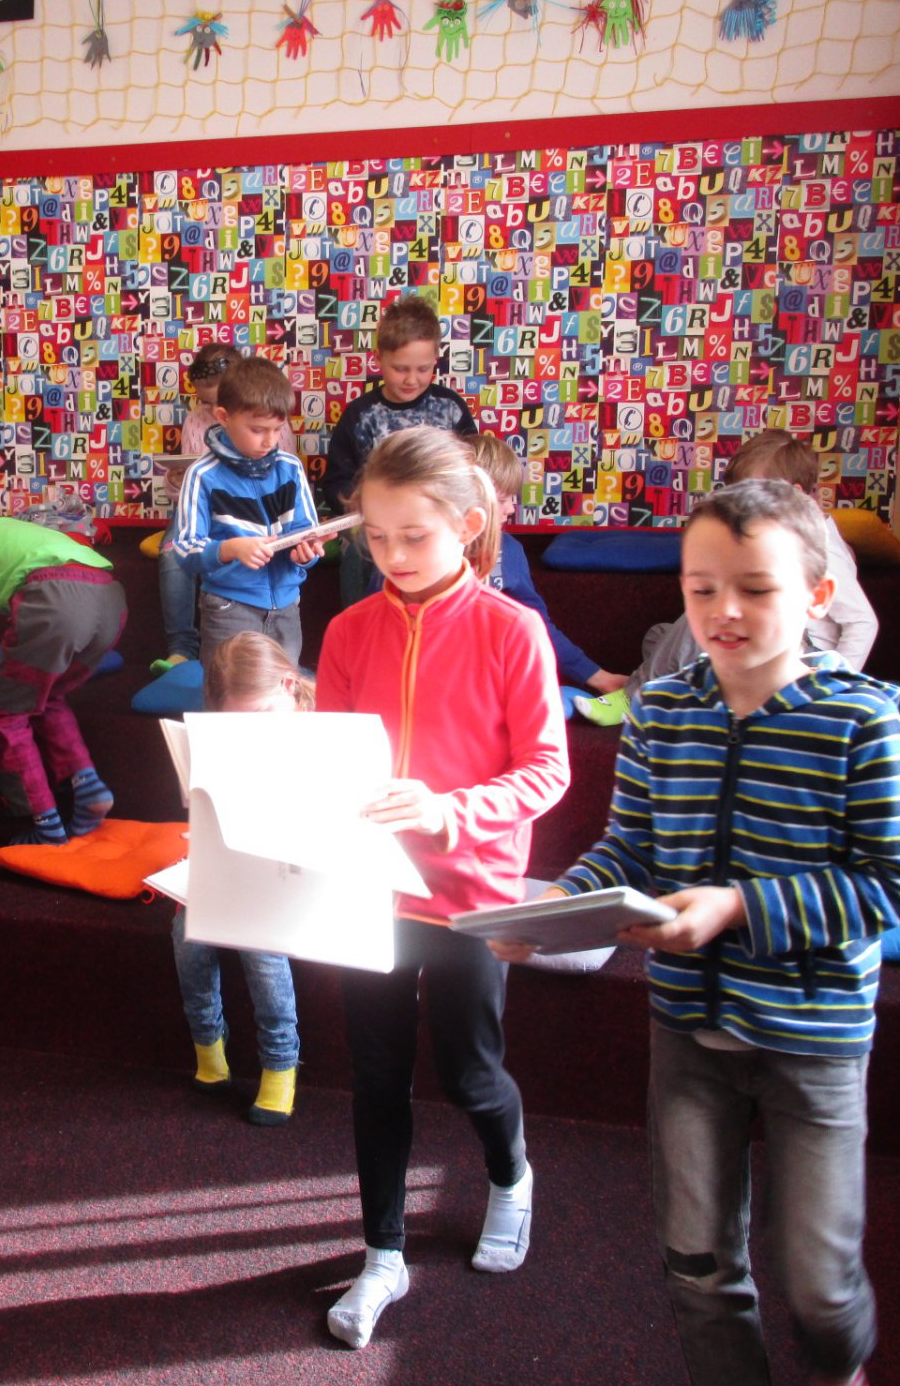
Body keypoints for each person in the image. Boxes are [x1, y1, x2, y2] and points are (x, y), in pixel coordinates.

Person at [502, 479, 900, 1386]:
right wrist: (554, 910)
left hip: (814, 1038)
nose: (723, 611)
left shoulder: (862, 720)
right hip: (690, 1031)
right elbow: (629, 847)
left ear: (817, 596)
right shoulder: (663, 710)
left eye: (756, 589)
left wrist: (736, 907)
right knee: (698, 1267)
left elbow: (891, 886)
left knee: (819, 1286)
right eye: (701, 589)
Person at [315, 427, 569, 1349]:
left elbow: (547, 772)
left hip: (471, 893)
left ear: (468, 524)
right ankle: (382, 1252)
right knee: (376, 1076)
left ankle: (509, 1175)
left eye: (414, 536)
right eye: (376, 537)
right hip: (370, 892)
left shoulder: (513, 630)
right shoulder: (348, 629)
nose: (392, 555)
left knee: (470, 1072)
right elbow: (329, 762)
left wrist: (450, 809)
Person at [575, 429, 879, 725]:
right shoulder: (780, 535)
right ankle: (681, 690)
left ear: (795, 495)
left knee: (699, 624)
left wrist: (832, 684)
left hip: (798, 655)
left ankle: (635, 699)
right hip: (767, 643)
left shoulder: (820, 548)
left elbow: (863, 622)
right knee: (660, 636)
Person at [0, 465, 126, 845]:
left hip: (57, 599)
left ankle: (45, 822)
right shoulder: (10, 529)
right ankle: (88, 787)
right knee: (46, 696)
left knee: (4, 715)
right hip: (110, 599)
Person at [175, 631, 306, 1125]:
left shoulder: (320, 732)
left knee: (258, 946)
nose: (250, 733)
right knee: (186, 932)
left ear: (289, 687)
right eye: (236, 723)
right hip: (236, 863)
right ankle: (208, 1044)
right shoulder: (228, 738)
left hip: (295, 874)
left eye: (260, 716)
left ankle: (280, 1063)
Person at [321, 293, 478, 604]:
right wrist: (364, 507)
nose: (411, 379)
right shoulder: (360, 416)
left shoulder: (450, 408)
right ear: (379, 359)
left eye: (422, 369)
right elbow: (336, 483)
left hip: (438, 522)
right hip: (379, 524)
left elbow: (474, 470)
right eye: (400, 368)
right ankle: (360, 622)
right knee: (359, 546)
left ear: (435, 360)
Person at [170, 357, 326, 663]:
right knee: (226, 689)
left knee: (282, 688)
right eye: (257, 429)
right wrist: (230, 549)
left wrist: (306, 553)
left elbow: (305, 531)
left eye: (277, 429)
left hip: (286, 606)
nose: (270, 440)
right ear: (224, 417)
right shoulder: (203, 475)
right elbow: (185, 549)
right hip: (229, 607)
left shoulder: (291, 468)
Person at [469, 433, 628, 698]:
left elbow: (537, 624)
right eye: (502, 500)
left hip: (493, 681)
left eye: (512, 499)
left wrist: (598, 677)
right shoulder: (427, 551)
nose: (511, 509)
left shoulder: (508, 550)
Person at [154, 341, 247, 676]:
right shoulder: (195, 421)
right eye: (206, 402)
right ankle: (181, 648)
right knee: (172, 551)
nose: (213, 409)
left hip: (245, 508)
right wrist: (177, 479)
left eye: (220, 400)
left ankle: (241, 646)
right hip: (200, 508)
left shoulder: (264, 416)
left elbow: (282, 475)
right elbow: (183, 493)